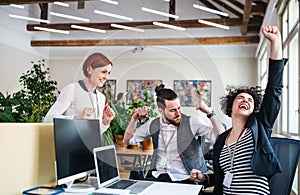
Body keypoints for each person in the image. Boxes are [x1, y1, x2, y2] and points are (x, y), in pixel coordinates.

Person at [189, 25, 287, 194]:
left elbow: (274, 89)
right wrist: (205, 179)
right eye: (240, 98)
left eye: (250, 100)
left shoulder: (260, 125)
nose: (245, 100)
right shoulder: (222, 140)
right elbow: (223, 177)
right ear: (231, 106)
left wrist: (275, 42)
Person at [123, 84, 225, 184]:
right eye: (172, 110)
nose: (178, 113)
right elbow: (127, 140)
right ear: (161, 111)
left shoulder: (191, 122)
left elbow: (222, 137)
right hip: (158, 176)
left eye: (179, 108)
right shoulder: (153, 124)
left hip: (186, 178)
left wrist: (209, 113)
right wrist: (134, 119)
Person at [44, 52, 115, 134]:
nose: (106, 77)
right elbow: (48, 119)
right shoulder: (71, 90)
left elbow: (96, 133)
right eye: (103, 72)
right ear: (89, 69)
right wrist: (78, 119)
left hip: (92, 146)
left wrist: (105, 122)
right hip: (71, 145)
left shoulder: (101, 98)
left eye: (108, 73)